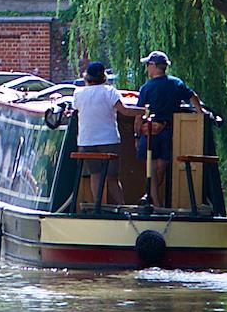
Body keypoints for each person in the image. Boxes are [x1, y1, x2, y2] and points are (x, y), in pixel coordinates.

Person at [128, 51, 210, 207]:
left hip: (150, 131)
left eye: (148, 65)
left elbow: (139, 114)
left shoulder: (147, 88)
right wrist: (200, 113)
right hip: (169, 130)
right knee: (161, 166)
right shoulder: (176, 83)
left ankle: (154, 202)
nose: (147, 69)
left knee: (150, 168)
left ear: (153, 66)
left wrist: (136, 135)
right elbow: (192, 96)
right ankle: (153, 200)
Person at [72, 61, 132, 207]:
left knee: (95, 175)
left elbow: (75, 110)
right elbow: (125, 111)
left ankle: (98, 207)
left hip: (86, 141)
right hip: (108, 140)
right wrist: (144, 111)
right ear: (103, 77)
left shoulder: (78, 93)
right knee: (112, 177)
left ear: (87, 77)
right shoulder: (110, 92)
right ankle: (122, 207)